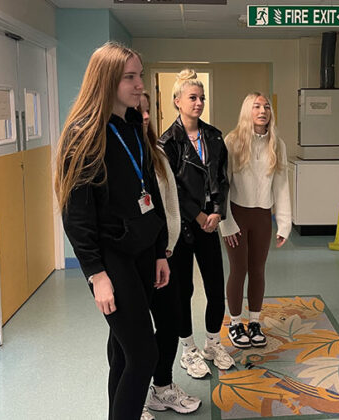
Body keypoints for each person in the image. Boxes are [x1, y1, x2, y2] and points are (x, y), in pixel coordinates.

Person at [55, 42, 170, 420]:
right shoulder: (85, 133)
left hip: (141, 250)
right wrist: (96, 274)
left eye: (140, 75)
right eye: (130, 77)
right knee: (143, 354)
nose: (140, 85)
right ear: (107, 81)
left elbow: (148, 187)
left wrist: (158, 250)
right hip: (112, 258)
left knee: (122, 353)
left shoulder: (133, 124)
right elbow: (75, 213)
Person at [159, 69, 235, 374]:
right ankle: (188, 348)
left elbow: (222, 178)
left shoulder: (214, 136)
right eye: (192, 98)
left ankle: (212, 343)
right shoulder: (168, 142)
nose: (198, 103)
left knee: (216, 287)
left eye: (201, 98)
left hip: (209, 223)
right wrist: (199, 214)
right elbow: (172, 187)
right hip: (183, 226)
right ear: (178, 101)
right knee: (184, 290)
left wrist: (217, 211)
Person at [137, 93, 200, 418]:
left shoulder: (157, 152)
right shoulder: (119, 154)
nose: (145, 116)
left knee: (169, 321)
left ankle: (162, 388)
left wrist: (170, 246)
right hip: (133, 261)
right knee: (131, 338)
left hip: (166, 254)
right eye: (138, 110)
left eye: (148, 110)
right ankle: (133, 399)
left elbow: (170, 206)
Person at [219, 92, 291, 349]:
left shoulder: (277, 144)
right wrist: (226, 223)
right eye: (257, 106)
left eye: (267, 107)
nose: (263, 111)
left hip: (262, 217)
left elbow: (281, 185)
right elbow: (223, 184)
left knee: (258, 270)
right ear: (247, 111)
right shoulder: (232, 141)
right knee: (239, 270)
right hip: (237, 214)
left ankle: (255, 321)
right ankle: (236, 323)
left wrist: (284, 223)